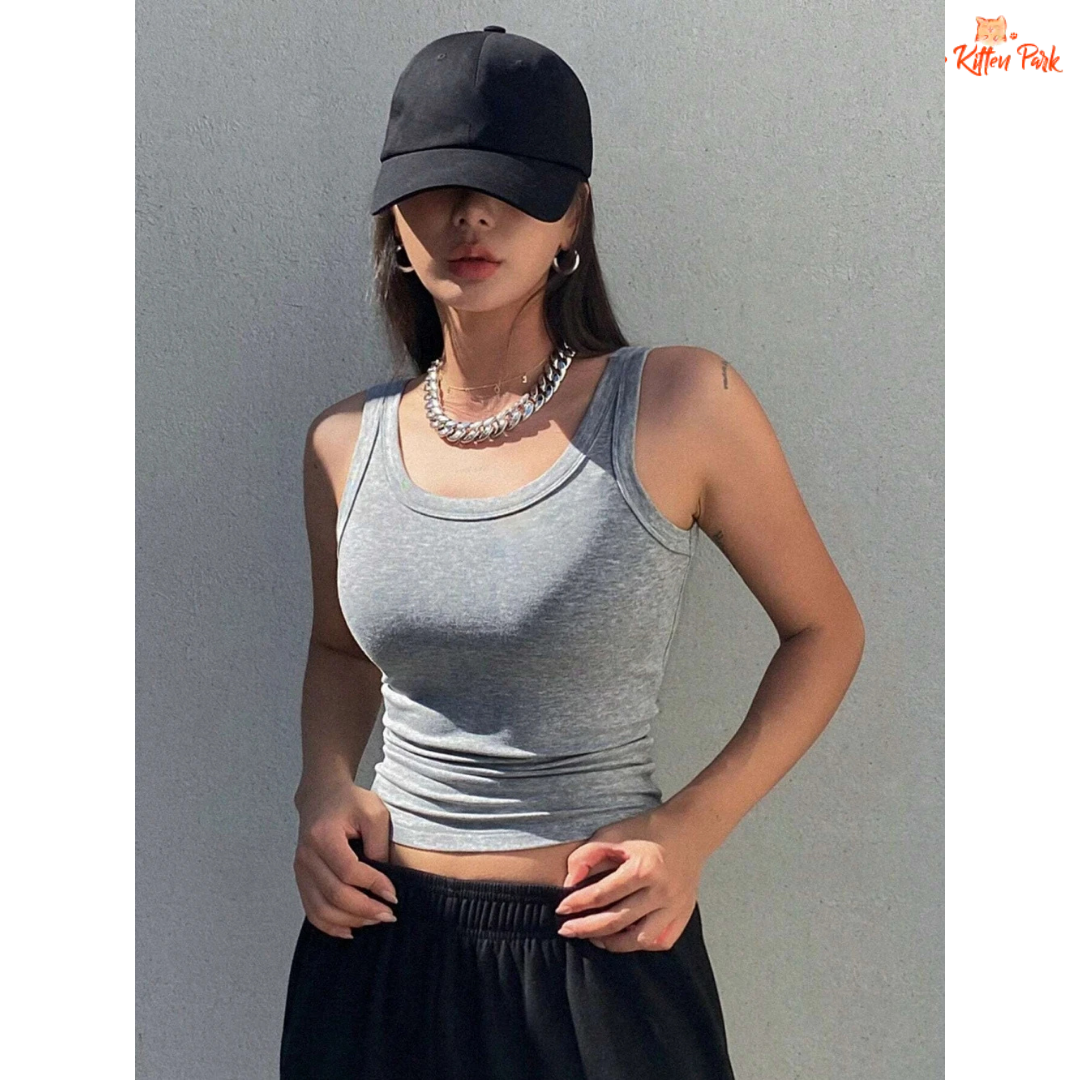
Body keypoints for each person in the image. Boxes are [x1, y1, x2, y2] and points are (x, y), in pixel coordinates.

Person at [279, 26, 865, 1080]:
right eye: (439, 185)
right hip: (375, 959)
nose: (472, 216)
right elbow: (338, 650)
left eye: (513, 186)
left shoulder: (680, 403)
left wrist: (692, 829)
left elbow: (825, 631)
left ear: (573, 217)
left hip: (598, 961)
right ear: (393, 217)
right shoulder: (342, 444)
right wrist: (322, 784)